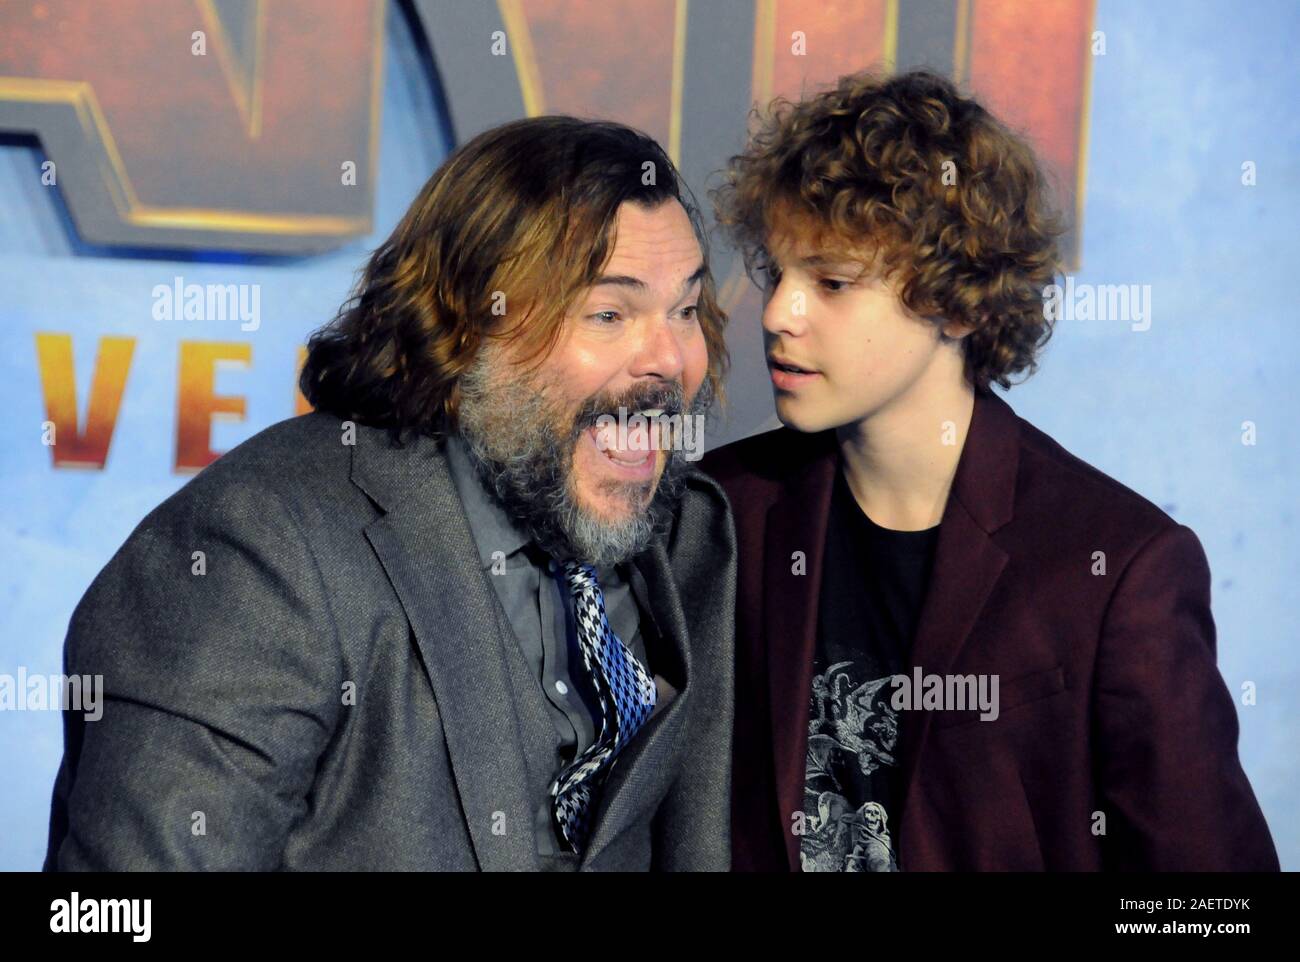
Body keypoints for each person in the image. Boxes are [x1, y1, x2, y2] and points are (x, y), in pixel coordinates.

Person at [44, 116, 735, 871]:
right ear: (466, 327)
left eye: (686, 309)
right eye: (609, 313)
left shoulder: (692, 538)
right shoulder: (257, 552)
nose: (671, 359)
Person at [702, 69, 1279, 871]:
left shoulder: (1117, 567)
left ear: (960, 302)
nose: (776, 313)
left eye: (830, 282)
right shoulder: (724, 513)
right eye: (777, 273)